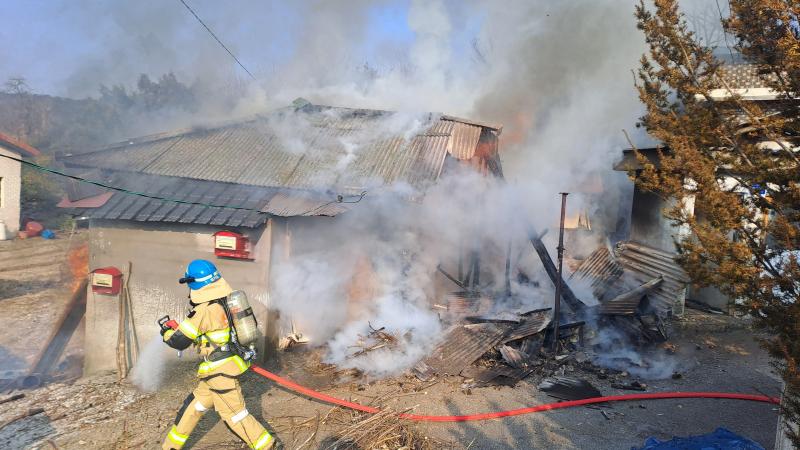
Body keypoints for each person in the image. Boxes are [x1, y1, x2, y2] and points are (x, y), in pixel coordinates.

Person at [160, 259, 274, 450]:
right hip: (220, 369)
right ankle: (170, 447)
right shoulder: (228, 301)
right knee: (193, 408)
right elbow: (211, 334)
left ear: (193, 283)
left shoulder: (204, 310)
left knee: (235, 416)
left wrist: (166, 332)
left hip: (220, 373)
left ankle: (267, 446)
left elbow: (178, 341)